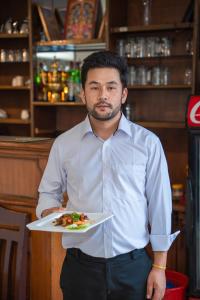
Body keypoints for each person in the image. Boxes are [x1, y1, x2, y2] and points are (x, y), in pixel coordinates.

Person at [36, 50, 179, 300]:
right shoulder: (64, 144)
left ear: (123, 94)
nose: (103, 95)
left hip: (133, 267)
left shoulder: (148, 144)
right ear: (83, 94)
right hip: (80, 268)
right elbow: (48, 193)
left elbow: (160, 205)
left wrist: (159, 266)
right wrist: (49, 212)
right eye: (94, 87)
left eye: (111, 87)